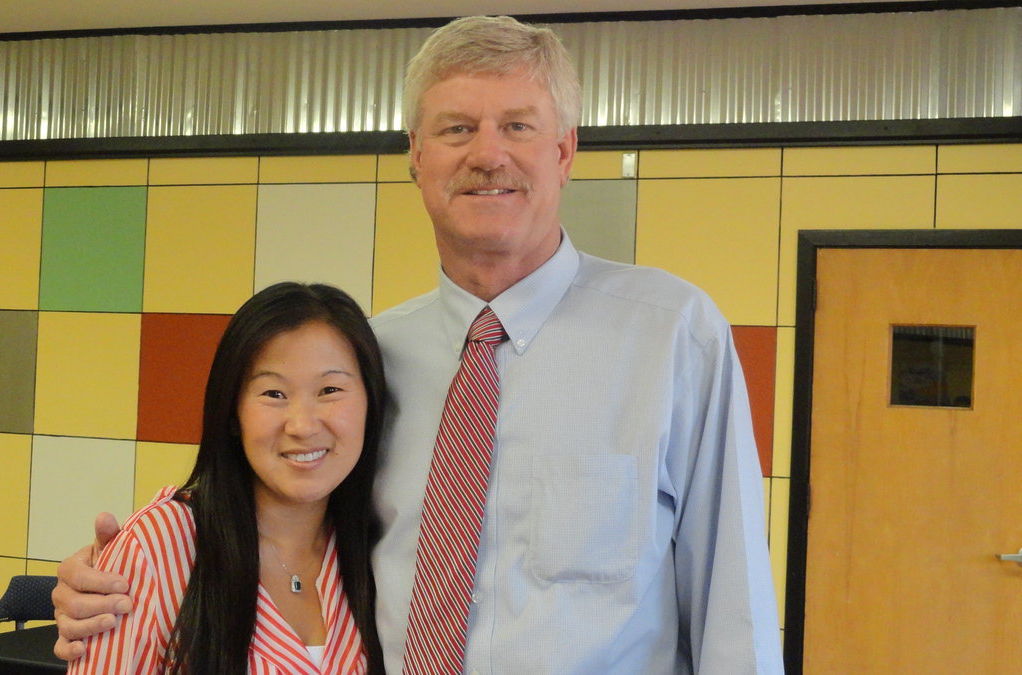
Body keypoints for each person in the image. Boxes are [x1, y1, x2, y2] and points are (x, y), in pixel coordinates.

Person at [54, 15, 783, 673]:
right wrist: (115, 576)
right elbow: (262, 526)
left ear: (565, 151)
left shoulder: (672, 334)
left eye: (519, 126)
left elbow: (735, 616)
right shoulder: (367, 361)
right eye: (457, 129)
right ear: (415, 156)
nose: (487, 154)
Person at [67, 282, 386, 674]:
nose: (302, 426)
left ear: (371, 402)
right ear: (233, 412)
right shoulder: (161, 546)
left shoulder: (381, 549)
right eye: (273, 393)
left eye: (330, 389)